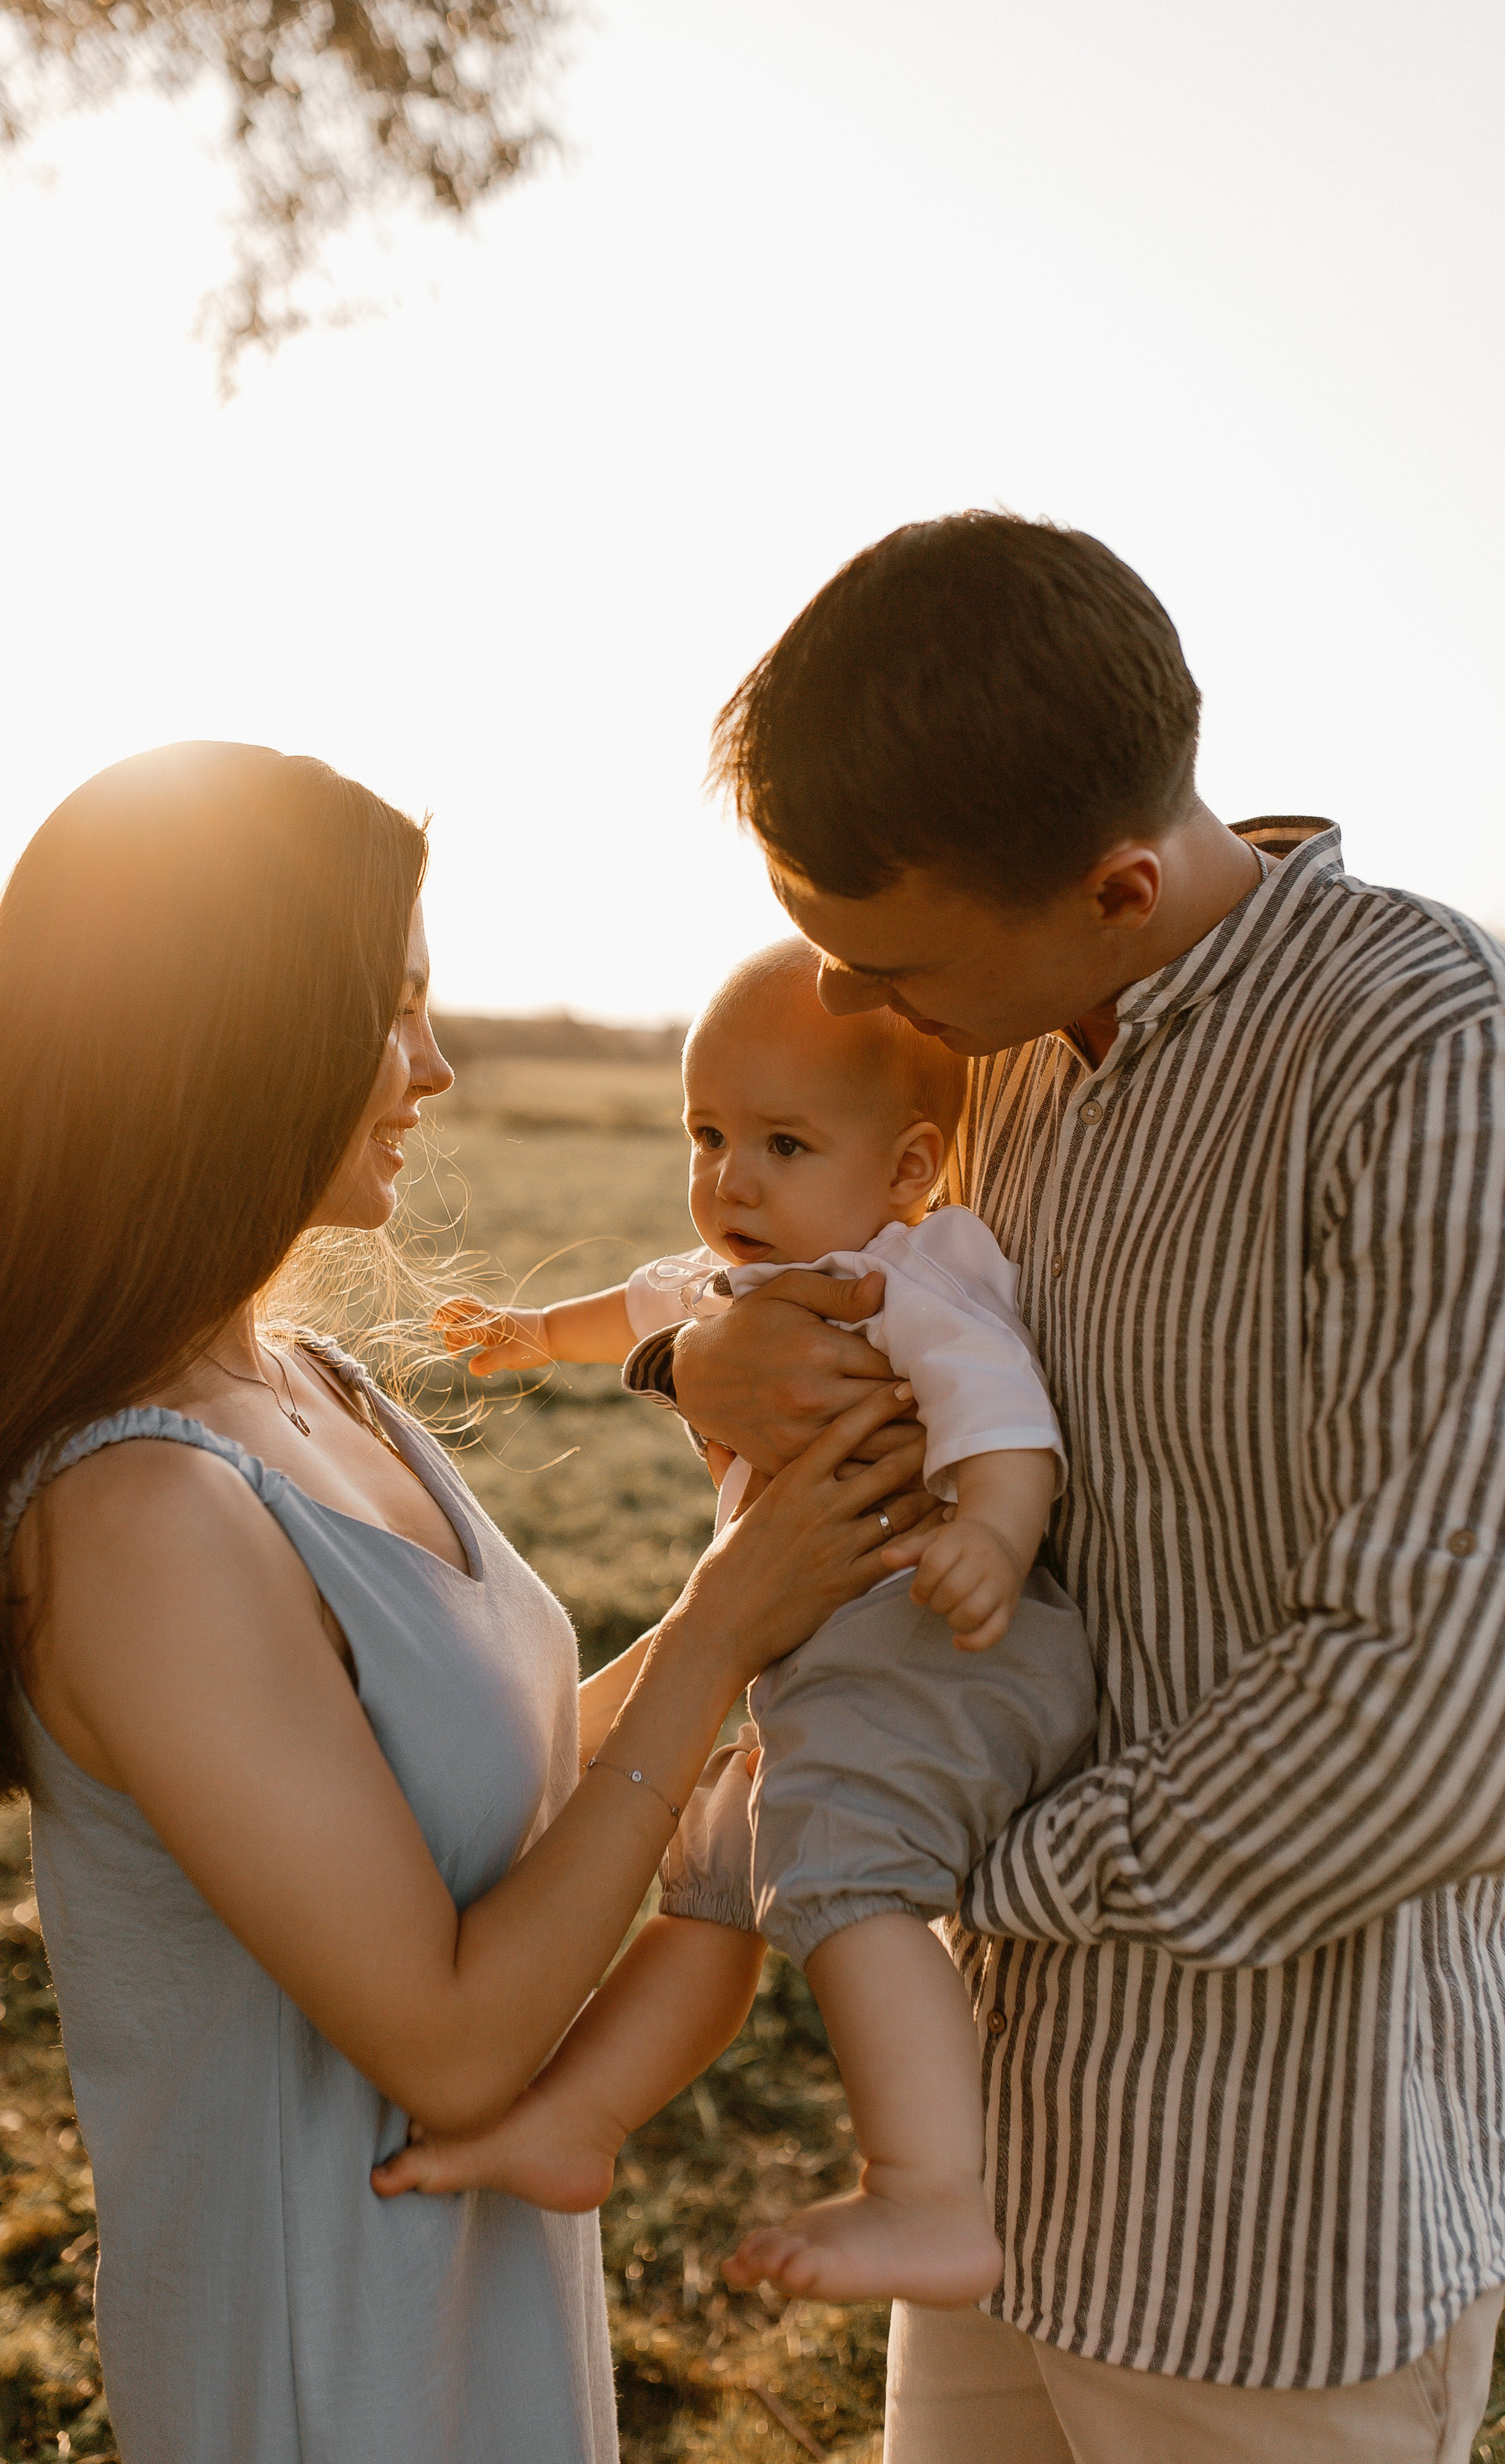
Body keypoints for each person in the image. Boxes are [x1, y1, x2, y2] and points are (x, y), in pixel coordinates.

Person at [620, 514, 1505, 2464]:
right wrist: (699, 1356)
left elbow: (1450, 1718)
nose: (842, 988)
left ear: (1116, 883)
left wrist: (935, 1871)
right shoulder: (987, 1051)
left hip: (1286, 2207)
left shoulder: (1441, 1060)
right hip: (1012, 2157)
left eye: (885, 954)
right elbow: (836, 1335)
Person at [0, 742, 934, 2464]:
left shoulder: (320, 1386)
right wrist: (722, 1625)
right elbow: (448, 2039)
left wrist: (793, 1596)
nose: (435, 1066)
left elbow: (479, 1795)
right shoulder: (137, 1514)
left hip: (476, 2278)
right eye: (396, 1009)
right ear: (237, 1039)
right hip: (324, 2338)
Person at [377, 938, 1096, 2307]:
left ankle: (931, 2193)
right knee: (708, 1882)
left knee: (842, 1873)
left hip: (924, 1644)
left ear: (901, 1171)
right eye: (706, 1135)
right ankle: (575, 2120)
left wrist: (994, 1539)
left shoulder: (909, 1277)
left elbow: (1004, 1415)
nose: (730, 1179)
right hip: (817, 1658)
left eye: (779, 1142)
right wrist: (532, 1336)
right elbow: (638, 1309)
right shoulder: (735, 1281)